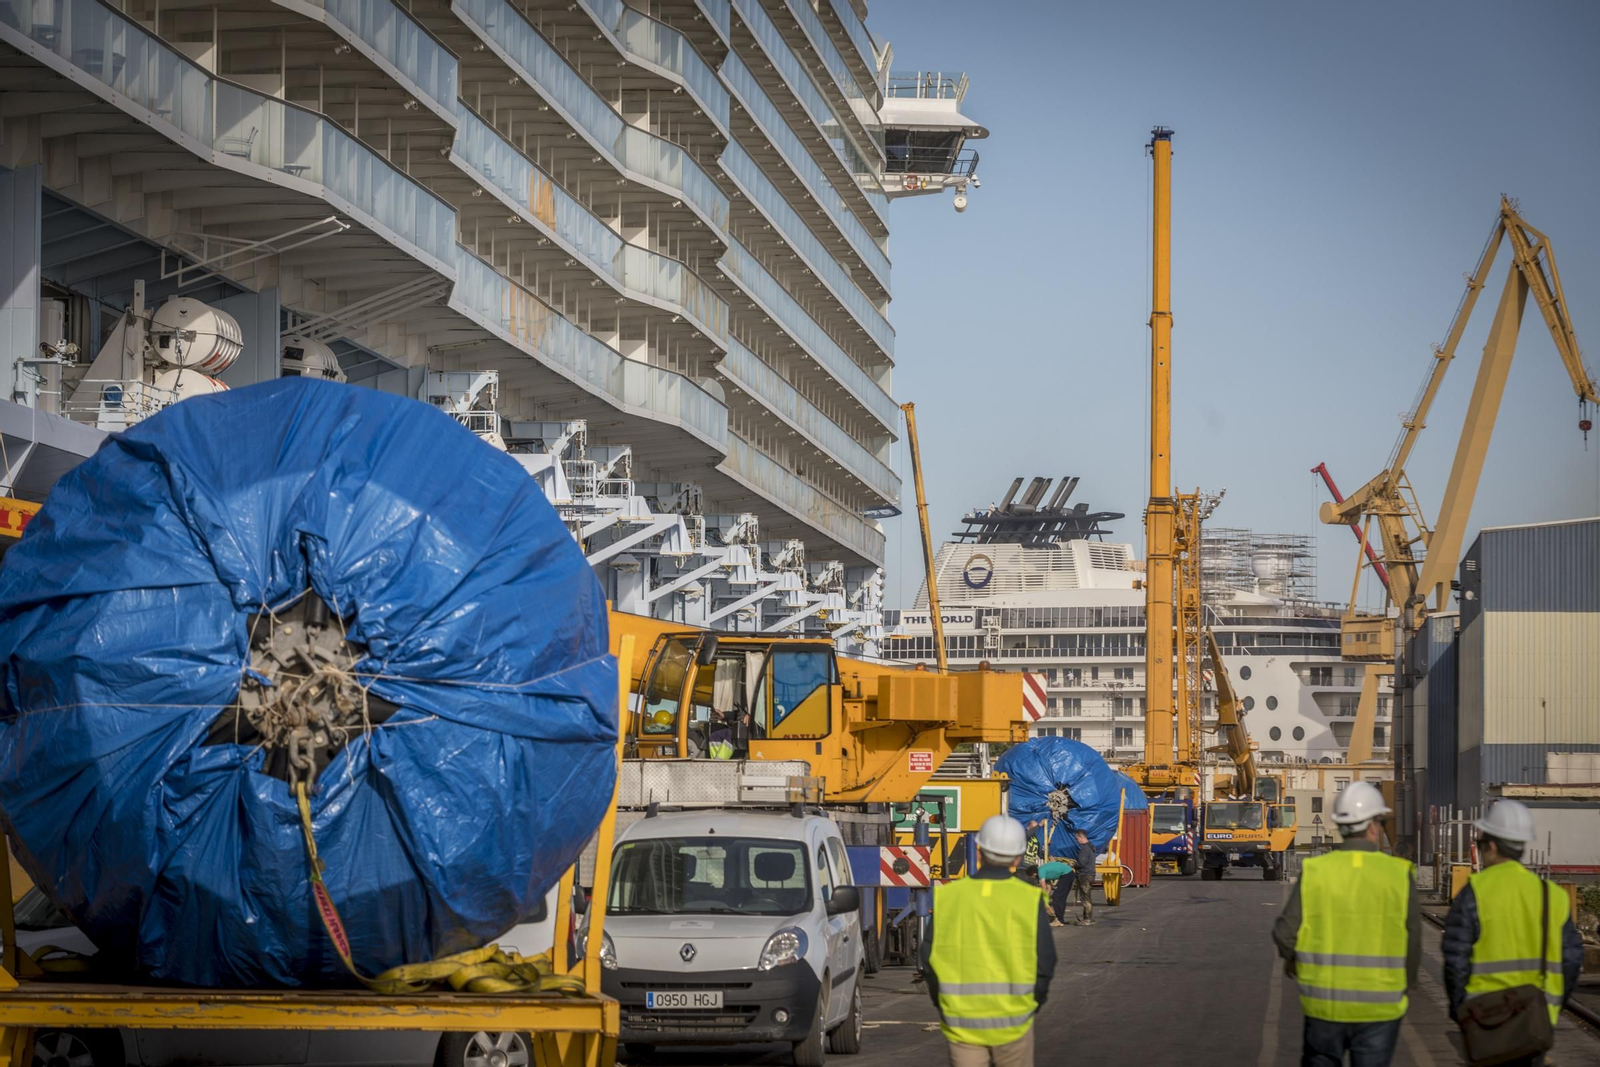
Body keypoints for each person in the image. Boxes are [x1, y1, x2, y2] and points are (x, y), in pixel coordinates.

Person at [1272, 782, 1420, 1067]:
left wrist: (1293, 959)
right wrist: (1407, 983)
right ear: (1374, 826)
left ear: (1341, 825)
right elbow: (1413, 939)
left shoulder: (1316, 871)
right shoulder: (1399, 874)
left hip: (1324, 1005)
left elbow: (1285, 932)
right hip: (1381, 1007)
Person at [1442, 799, 1583, 1067]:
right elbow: (1572, 960)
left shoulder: (1474, 891)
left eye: (1482, 846)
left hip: (1485, 1019)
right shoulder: (1551, 894)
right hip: (1535, 1019)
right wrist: (1551, 1008)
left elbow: (1455, 959)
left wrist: (1461, 1010)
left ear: (1492, 846)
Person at [922, 815, 1056, 1067]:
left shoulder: (948, 896)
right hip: (1014, 1021)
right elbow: (1046, 960)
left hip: (961, 1023)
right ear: (1018, 858)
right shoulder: (1029, 898)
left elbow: (928, 959)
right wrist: (1032, 1004)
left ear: (979, 851)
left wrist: (943, 1005)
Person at [1037, 860, 1075, 926]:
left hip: (1067, 874)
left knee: (1057, 897)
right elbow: (1048, 887)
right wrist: (1046, 899)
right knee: (1060, 898)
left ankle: (1059, 920)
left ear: (1034, 874)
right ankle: (1060, 919)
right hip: (1068, 874)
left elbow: (1043, 885)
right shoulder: (1045, 873)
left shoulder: (1040, 871)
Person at [1072, 830, 1096, 926]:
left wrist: (1073, 864)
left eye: (1077, 839)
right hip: (1090, 874)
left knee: (1085, 898)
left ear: (1081, 837)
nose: (1077, 841)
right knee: (1088, 897)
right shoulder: (1091, 847)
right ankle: (1088, 917)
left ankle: (1087, 919)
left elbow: (1081, 863)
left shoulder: (1084, 849)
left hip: (1085, 875)